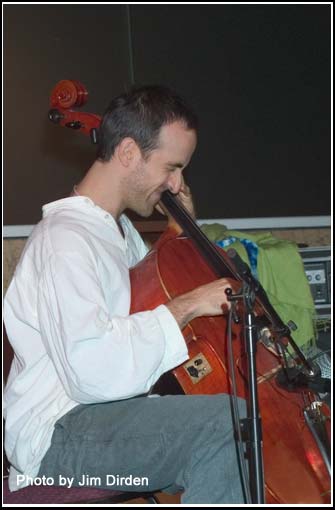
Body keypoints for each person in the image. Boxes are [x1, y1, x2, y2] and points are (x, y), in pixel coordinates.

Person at [3, 85, 246, 504]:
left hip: (101, 420)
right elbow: (90, 371)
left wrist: (180, 235)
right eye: (171, 167)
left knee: (238, 426)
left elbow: (145, 299)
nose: (177, 184)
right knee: (229, 423)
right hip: (60, 434)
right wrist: (186, 306)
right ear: (129, 153)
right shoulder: (65, 238)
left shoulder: (118, 232)